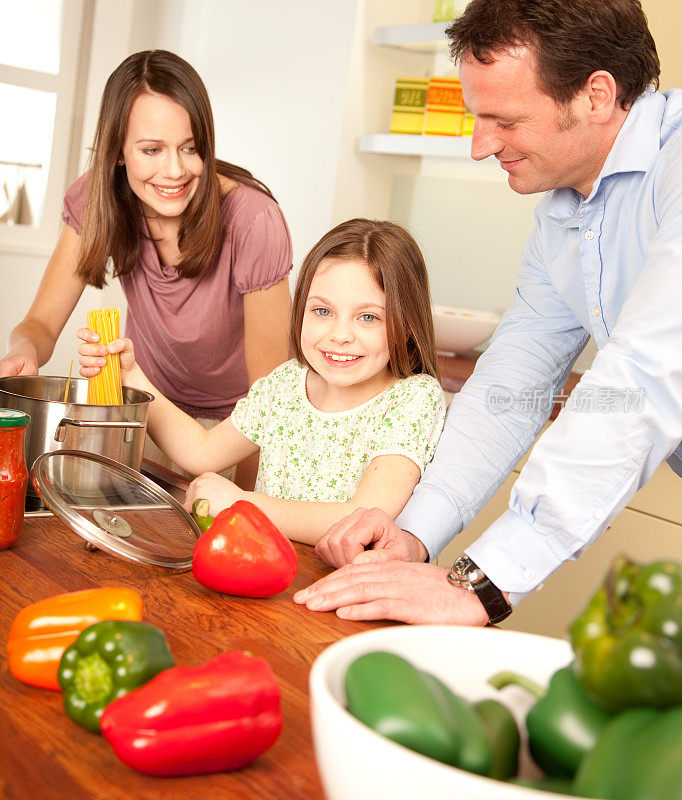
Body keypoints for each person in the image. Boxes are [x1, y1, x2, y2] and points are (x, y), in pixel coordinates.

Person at [293, 0, 682, 624]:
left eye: (504, 120)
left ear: (597, 96)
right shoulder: (564, 211)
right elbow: (511, 382)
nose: (480, 146)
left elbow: (644, 376)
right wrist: (413, 535)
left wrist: (481, 585)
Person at [0, 50, 292, 488]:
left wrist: (251, 494)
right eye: (151, 150)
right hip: (144, 416)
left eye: (189, 148)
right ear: (119, 151)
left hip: (235, 434)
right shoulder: (96, 201)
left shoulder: (254, 220)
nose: (173, 171)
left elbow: (270, 399)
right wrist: (23, 350)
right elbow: (40, 323)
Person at [79, 218, 446, 543]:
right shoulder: (286, 385)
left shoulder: (412, 399)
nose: (340, 335)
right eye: (322, 311)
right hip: (265, 576)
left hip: (344, 595)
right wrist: (132, 376)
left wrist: (241, 503)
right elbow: (201, 451)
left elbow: (363, 517)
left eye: (368, 318)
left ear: (408, 324)